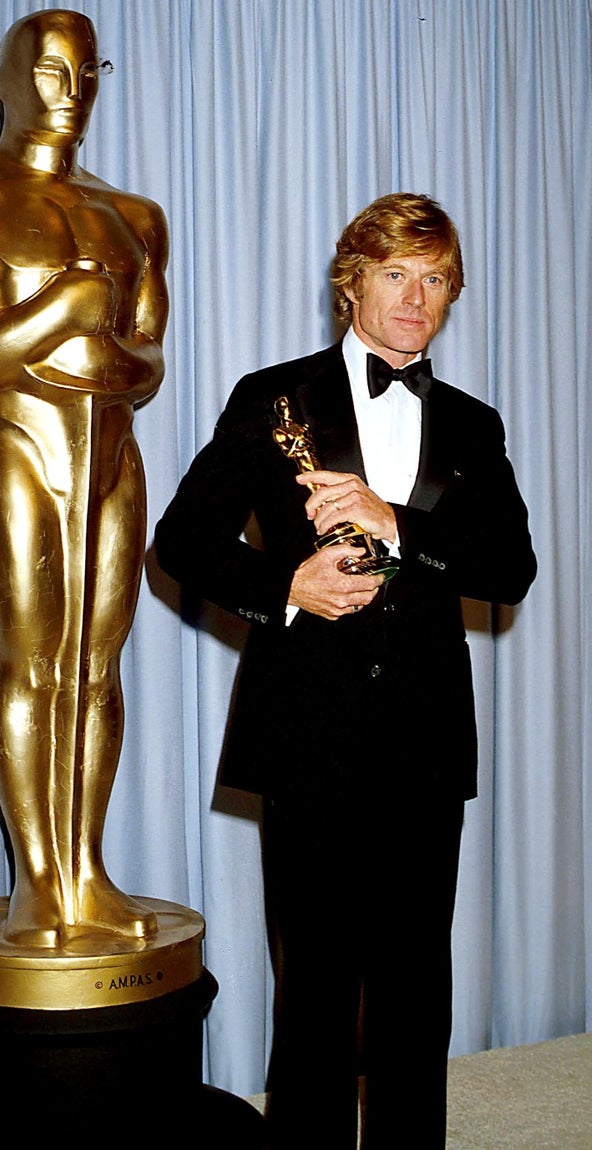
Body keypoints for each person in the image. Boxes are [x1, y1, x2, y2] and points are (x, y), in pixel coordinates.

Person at [154, 193, 536, 1147]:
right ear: (351, 281)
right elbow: (182, 543)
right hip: (306, 734)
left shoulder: (474, 425)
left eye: (437, 279)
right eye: (397, 274)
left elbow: (510, 567)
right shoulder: (272, 397)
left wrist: (393, 521)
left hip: (424, 737)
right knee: (315, 989)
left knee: (415, 989)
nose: (417, 298)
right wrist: (290, 589)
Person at [0, 9, 169, 948]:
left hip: (111, 455)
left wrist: (99, 344)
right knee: (30, 666)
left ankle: (87, 869)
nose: (72, 93)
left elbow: (147, 362)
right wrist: (68, 306)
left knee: (96, 668)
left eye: (87, 72)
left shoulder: (134, 214)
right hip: (22, 441)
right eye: (51, 73)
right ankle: (37, 878)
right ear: (8, 79)